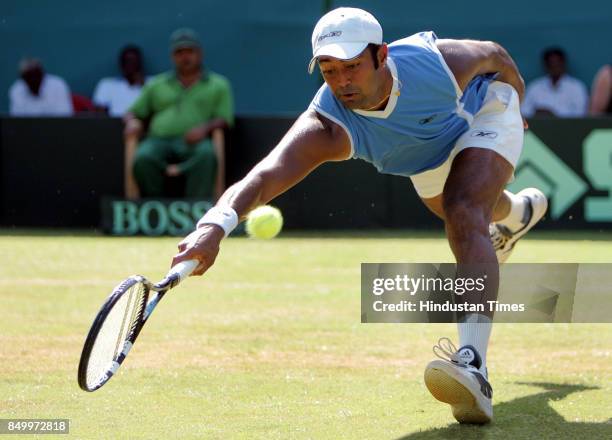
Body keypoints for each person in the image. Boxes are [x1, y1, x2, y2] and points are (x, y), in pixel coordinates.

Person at [171, 8, 548, 424]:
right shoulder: (327, 125)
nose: (342, 81)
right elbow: (265, 174)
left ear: (382, 55)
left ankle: (473, 365)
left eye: (352, 66)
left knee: (463, 210)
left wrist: (518, 104)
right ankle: (517, 215)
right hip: (427, 156)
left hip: (485, 112)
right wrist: (214, 225)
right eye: (329, 70)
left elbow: (495, 54)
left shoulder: (436, 63)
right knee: (471, 212)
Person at [123, 28, 234, 200]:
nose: (185, 57)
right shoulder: (157, 84)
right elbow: (133, 112)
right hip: (159, 140)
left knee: (206, 155)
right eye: (179, 52)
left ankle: (197, 208)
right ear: (172, 57)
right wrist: (132, 122)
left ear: (200, 54)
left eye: (190, 51)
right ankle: (155, 206)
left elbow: (224, 119)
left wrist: (204, 129)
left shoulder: (218, 84)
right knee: (143, 157)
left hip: (194, 142)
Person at [521, 47, 588, 117]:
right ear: (546, 65)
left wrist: (553, 115)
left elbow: (581, 113)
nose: (555, 66)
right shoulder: (535, 87)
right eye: (551, 63)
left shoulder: (576, 87)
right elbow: (524, 111)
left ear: (563, 63)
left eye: (558, 63)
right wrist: (537, 112)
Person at [93, 45, 147, 117]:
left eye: (134, 61)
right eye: (127, 61)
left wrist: (143, 84)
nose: (130, 65)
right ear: (121, 63)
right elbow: (99, 113)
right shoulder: (107, 84)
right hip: (114, 124)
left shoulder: (152, 83)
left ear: (140, 63)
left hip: (143, 124)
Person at [9, 58, 73, 116]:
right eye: (29, 76)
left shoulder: (58, 85)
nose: (33, 80)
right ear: (23, 78)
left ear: (42, 73)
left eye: (36, 75)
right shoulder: (16, 89)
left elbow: (64, 116)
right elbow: (17, 119)